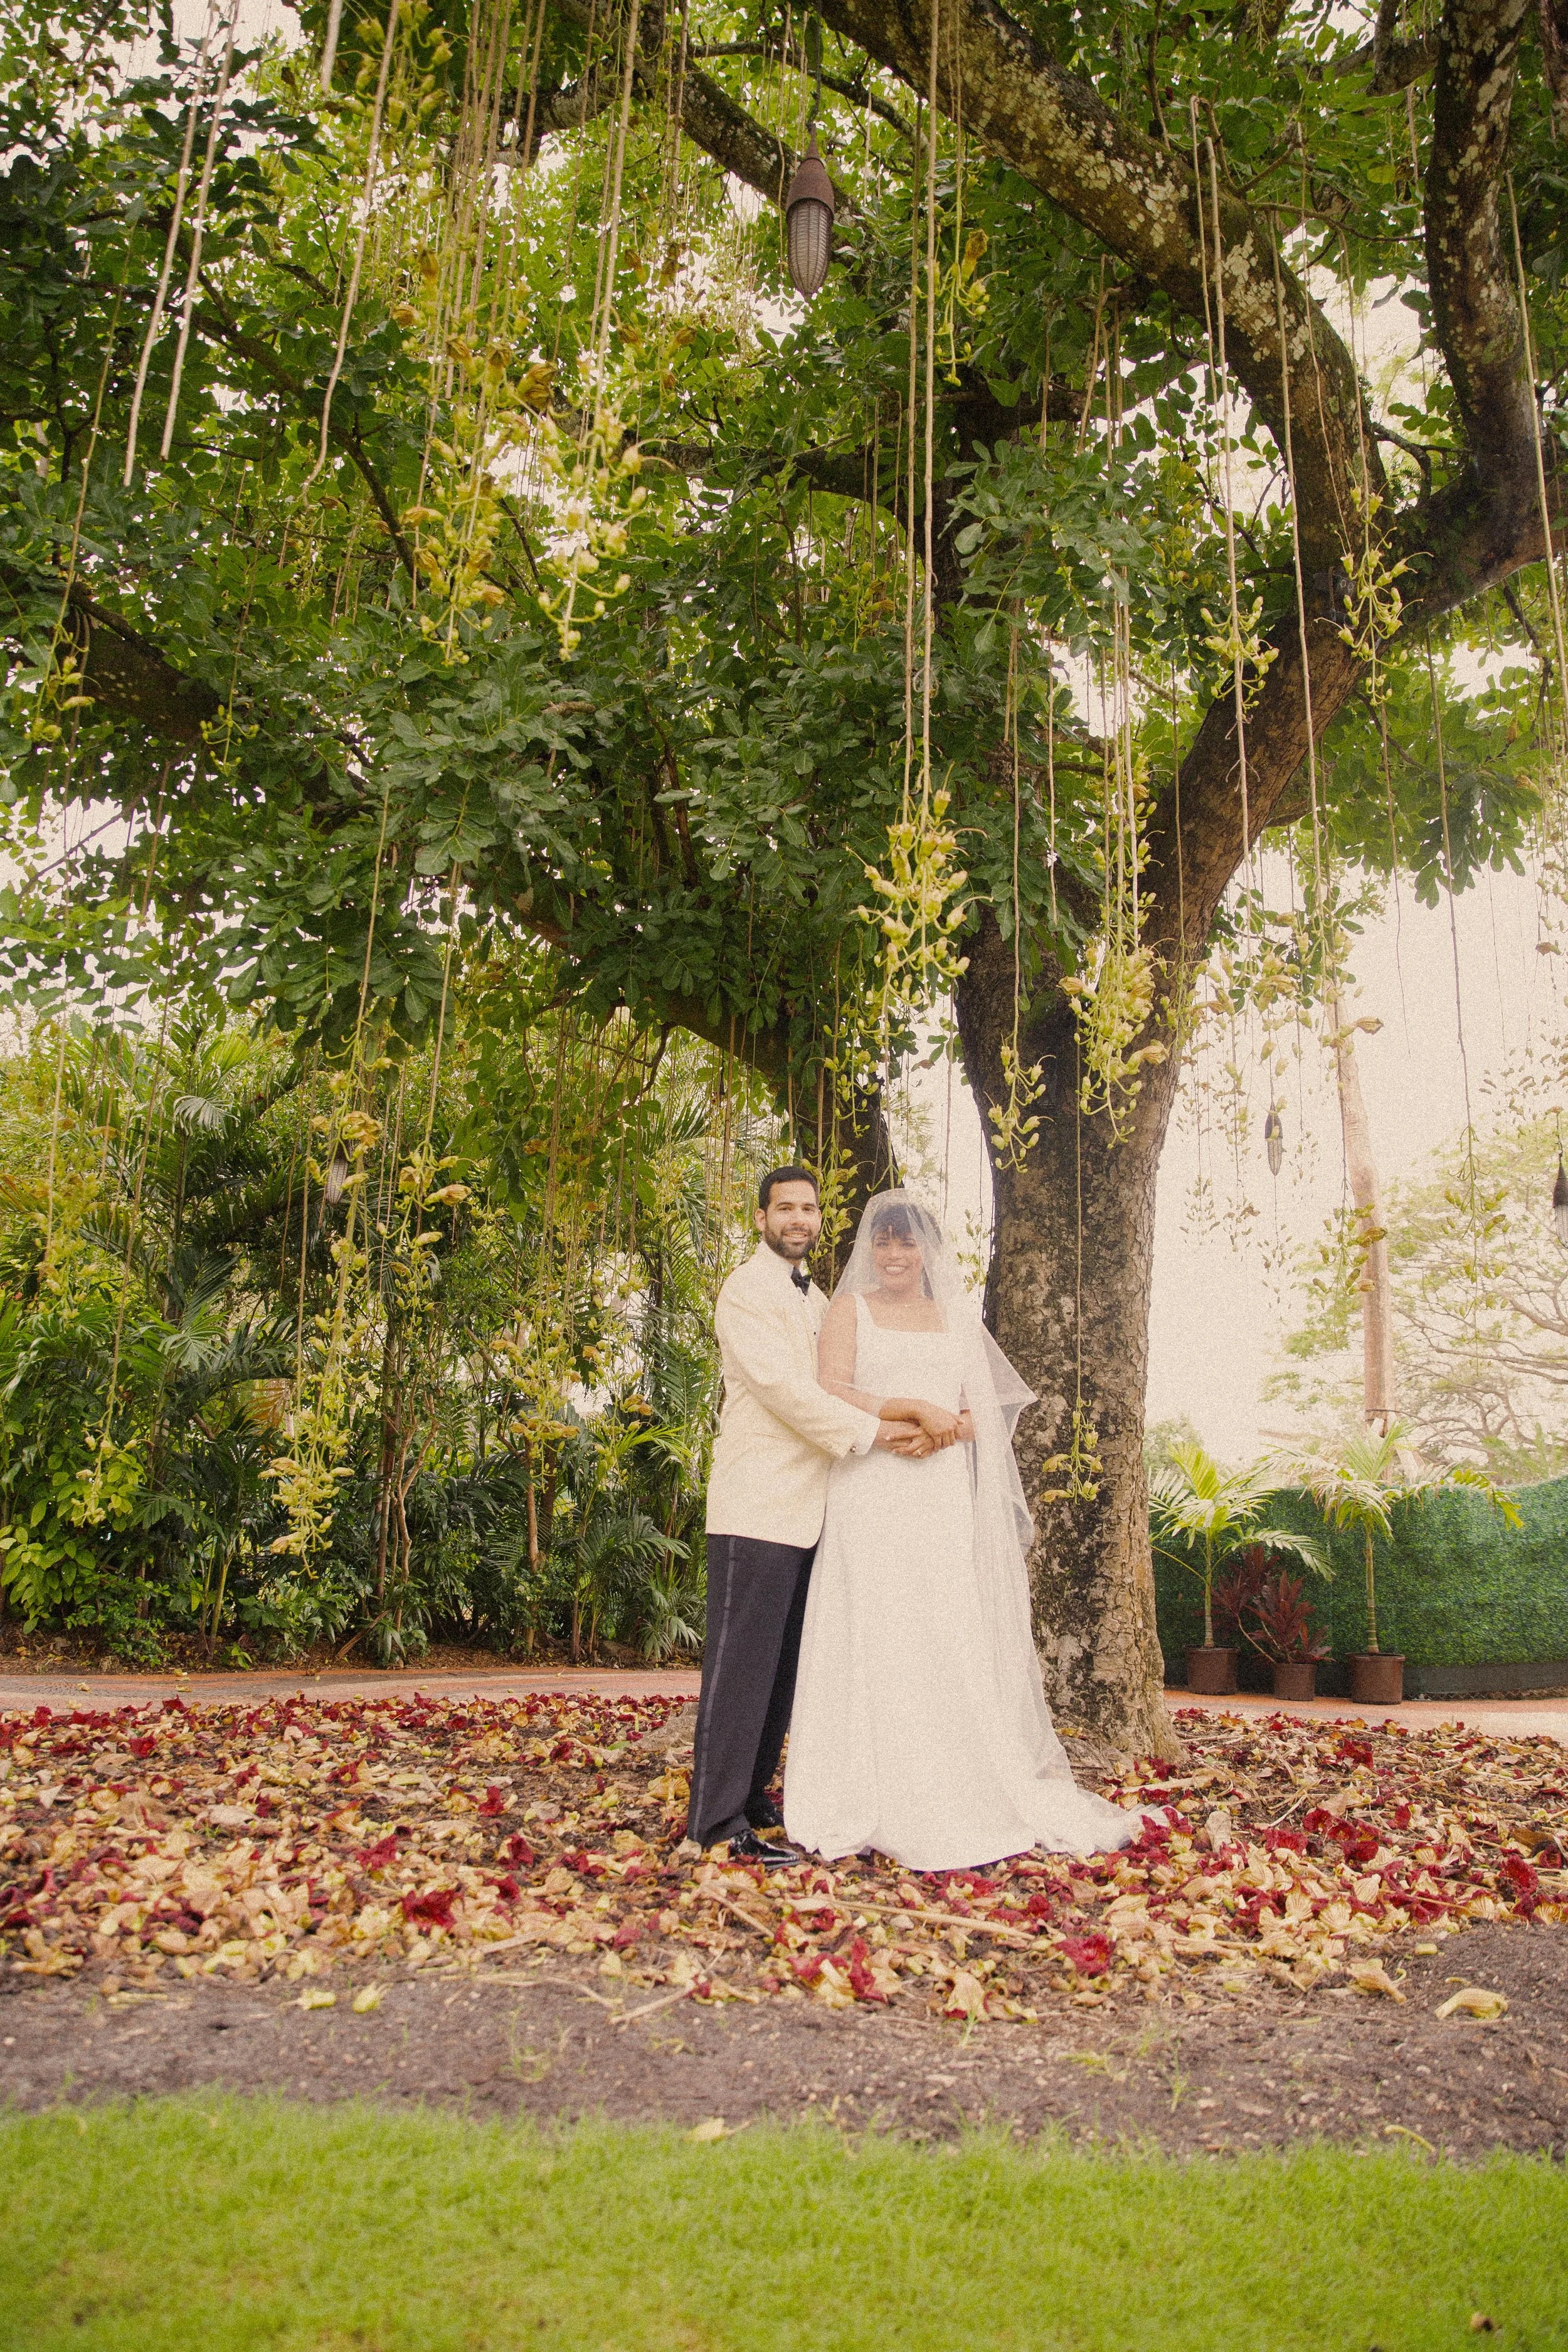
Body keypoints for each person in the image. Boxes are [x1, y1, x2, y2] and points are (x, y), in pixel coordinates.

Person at [784, 1190, 1154, 1871]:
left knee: (941, 1627)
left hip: (939, 1492)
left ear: (928, 1251)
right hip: (870, 1487)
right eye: (884, 1243)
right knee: (873, 1625)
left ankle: (955, 1781)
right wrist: (909, 1417)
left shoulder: (956, 1318)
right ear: (870, 1250)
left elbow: (987, 1410)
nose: (895, 1254)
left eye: (907, 1242)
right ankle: (865, 1788)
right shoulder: (847, 1310)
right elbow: (829, 1387)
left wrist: (943, 1430)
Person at [686, 1167, 962, 1866]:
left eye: (808, 1209)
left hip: (820, 1507)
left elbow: (845, 1378)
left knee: (781, 1669)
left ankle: (751, 1799)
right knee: (739, 1666)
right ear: (760, 1218)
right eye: (785, 1208)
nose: (798, 1220)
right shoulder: (746, 1292)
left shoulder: (816, 1299)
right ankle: (714, 1825)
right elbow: (788, 1393)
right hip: (760, 1502)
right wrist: (883, 1430)